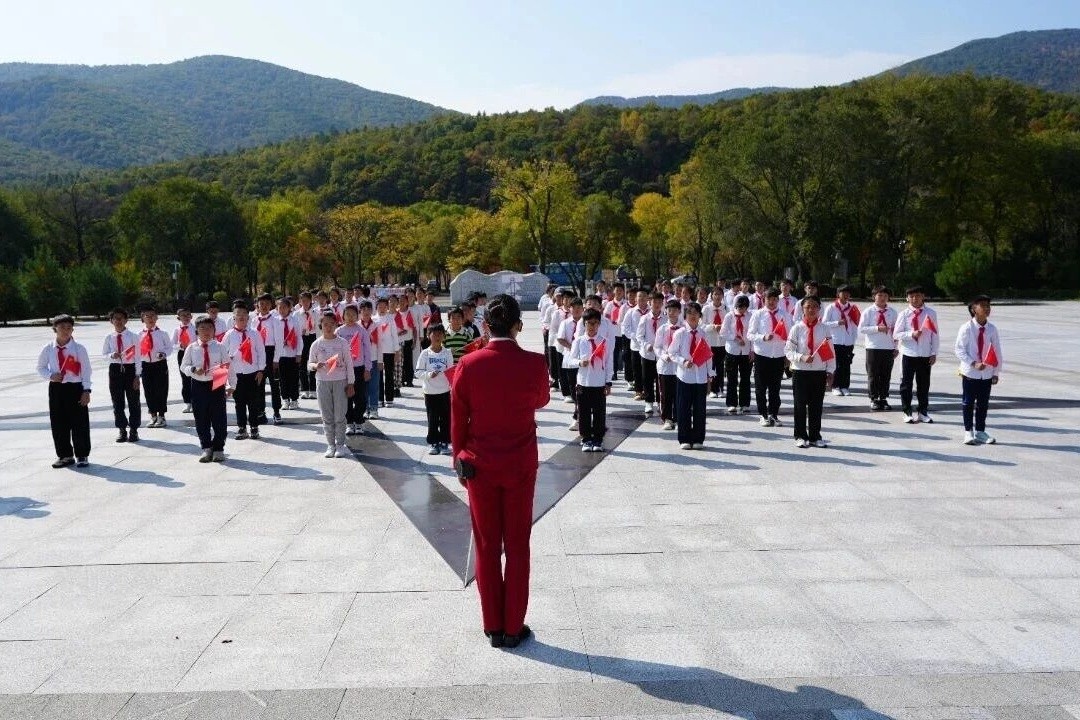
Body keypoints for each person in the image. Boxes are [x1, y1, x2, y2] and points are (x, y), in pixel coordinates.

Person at [450, 294, 549, 649]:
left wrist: (458, 459)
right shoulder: (535, 364)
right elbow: (541, 400)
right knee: (518, 545)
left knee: (487, 545)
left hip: (479, 463)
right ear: (518, 326)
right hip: (520, 462)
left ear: (486, 326)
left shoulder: (469, 364)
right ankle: (512, 625)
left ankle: (492, 624)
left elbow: (458, 416)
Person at [37, 314, 92, 468]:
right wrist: (51, 376)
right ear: (55, 328)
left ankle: (82, 454)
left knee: (79, 422)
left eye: (69, 328)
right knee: (59, 422)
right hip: (57, 388)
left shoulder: (79, 349)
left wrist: (86, 390)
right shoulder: (48, 348)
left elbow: (86, 371)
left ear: (73, 329)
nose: (65, 331)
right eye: (61, 327)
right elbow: (40, 368)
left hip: (75, 388)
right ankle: (65, 455)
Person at [785, 296, 835, 449]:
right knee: (800, 405)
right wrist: (801, 357)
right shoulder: (797, 328)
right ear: (802, 309)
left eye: (814, 306)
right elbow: (788, 351)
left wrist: (831, 371)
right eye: (808, 307)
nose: (811, 310)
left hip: (818, 372)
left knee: (816, 406)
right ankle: (800, 435)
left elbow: (830, 351)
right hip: (800, 372)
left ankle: (815, 436)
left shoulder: (825, 328)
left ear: (819, 309)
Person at [180, 316, 230, 462]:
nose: (206, 331)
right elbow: (184, 366)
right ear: (196, 331)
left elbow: (228, 365)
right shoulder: (192, 347)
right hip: (198, 384)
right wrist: (193, 369)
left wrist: (230, 385)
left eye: (209, 328)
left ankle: (219, 448)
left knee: (219, 418)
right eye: (202, 328)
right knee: (201, 417)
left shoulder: (220, 346)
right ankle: (206, 447)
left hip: (217, 382)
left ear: (214, 330)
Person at [955, 295, 1003, 445]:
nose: (987, 308)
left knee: (983, 403)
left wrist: (995, 372)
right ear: (973, 309)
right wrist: (973, 363)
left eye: (988, 305)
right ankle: (968, 432)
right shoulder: (967, 328)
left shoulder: (992, 329)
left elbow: (997, 351)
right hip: (970, 372)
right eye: (982, 305)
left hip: (987, 373)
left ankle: (981, 431)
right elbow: (959, 350)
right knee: (968, 403)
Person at [310, 312, 355, 458]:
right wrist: (316, 365)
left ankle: (340, 444)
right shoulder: (316, 344)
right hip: (322, 382)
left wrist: (351, 383)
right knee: (326, 415)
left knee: (340, 415)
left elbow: (349, 363)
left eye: (331, 324)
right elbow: (309, 364)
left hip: (340, 381)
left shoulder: (342, 342)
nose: (328, 327)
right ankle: (330, 445)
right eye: (325, 324)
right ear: (321, 326)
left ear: (336, 325)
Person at [669, 302, 713, 450]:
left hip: (700, 376)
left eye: (696, 313)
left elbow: (708, 355)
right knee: (684, 408)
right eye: (690, 314)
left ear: (700, 316)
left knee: (700, 409)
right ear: (685, 316)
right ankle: (684, 438)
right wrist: (682, 361)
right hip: (685, 376)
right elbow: (672, 353)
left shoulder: (703, 333)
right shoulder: (680, 333)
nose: (693, 316)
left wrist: (710, 375)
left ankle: (699, 438)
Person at [893, 286, 940, 424]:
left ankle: (922, 412)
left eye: (918, 296)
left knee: (924, 385)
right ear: (907, 298)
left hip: (925, 354)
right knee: (906, 384)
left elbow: (935, 335)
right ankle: (907, 411)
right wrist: (910, 334)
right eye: (911, 296)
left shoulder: (930, 313)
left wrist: (934, 352)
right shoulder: (904, 314)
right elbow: (896, 334)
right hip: (909, 353)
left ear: (923, 296)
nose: (915, 299)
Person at [222, 300, 266, 440]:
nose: (241, 317)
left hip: (252, 372)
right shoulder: (229, 334)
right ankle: (242, 428)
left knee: (253, 402)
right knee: (239, 402)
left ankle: (254, 427)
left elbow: (261, 352)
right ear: (233, 317)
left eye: (244, 314)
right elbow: (222, 353)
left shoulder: (254, 333)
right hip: (236, 373)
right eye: (238, 314)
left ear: (248, 317)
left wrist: (260, 370)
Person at [570, 309, 613, 451]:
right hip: (584, 382)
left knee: (599, 412)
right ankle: (586, 438)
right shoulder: (579, 341)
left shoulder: (604, 342)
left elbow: (608, 363)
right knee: (584, 412)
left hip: (599, 383)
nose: (592, 326)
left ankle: (598, 439)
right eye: (589, 323)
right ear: (584, 324)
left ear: (599, 324)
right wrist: (579, 362)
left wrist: (608, 382)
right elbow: (569, 359)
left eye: (595, 323)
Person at [748, 288, 790, 427]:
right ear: (763, 300)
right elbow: (750, 334)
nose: (771, 302)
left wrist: (787, 355)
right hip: (762, 355)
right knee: (761, 387)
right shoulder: (758, 314)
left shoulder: (784, 314)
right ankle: (763, 414)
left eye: (774, 299)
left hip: (778, 355)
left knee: (775, 388)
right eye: (768, 299)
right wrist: (763, 337)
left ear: (778, 300)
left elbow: (789, 336)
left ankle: (774, 414)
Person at [103, 307, 141, 443]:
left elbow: (138, 357)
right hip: (115, 370)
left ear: (126, 320)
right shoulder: (109, 337)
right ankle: (121, 429)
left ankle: (134, 429)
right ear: (111, 321)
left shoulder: (133, 336)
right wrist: (111, 355)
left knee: (133, 401)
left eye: (121, 318)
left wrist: (137, 375)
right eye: (115, 319)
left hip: (130, 369)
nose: (118, 321)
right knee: (117, 401)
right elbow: (104, 355)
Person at [415, 323, 454, 455]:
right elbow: (418, 372)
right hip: (430, 392)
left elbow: (451, 372)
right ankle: (433, 442)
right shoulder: (425, 353)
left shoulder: (447, 353)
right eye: (434, 334)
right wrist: (429, 375)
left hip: (444, 391)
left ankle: (444, 442)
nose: (437, 337)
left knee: (445, 418)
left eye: (439, 334)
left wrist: (453, 386)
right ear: (428, 335)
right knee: (432, 418)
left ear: (444, 336)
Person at [858, 286, 899, 411]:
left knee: (886, 374)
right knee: (873, 374)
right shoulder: (869, 311)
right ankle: (874, 398)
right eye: (880, 295)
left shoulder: (892, 312)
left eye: (885, 296)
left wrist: (896, 347)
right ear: (874, 297)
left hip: (888, 347)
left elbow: (896, 331)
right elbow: (861, 329)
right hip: (873, 347)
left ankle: (883, 398)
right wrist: (877, 328)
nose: (882, 298)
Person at [335, 304, 373, 436]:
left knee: (360, 397)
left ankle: (359, 421)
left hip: (359, 368)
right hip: (344, 370)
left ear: (357, 316)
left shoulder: (362, 331)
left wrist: (367, 369)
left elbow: (368, 351)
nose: (350, 317)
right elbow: (334, 351)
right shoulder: (339, 331)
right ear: (343, 316)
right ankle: (349, 423)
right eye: (348, 315)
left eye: (353, 315)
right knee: (347, 398)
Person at [138, 307, 173, 428]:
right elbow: (137, 351)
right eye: (147, 316)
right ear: (142, 319)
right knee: (148, 390)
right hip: (145, 365)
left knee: (161, 389)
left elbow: (169, 348)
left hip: (160, 364)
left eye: (153, 315)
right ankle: (153, 415)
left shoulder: (162, 334)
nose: (150, 318)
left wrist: (163, 354)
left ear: (157, 317)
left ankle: (162, 415)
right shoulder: (139, 335)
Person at [823, 285, 860, 396]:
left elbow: (855, 325)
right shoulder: (831, 307)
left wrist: (853, 340)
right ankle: (835, 386)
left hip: (848, 341)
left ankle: (845, 386)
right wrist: (837, 323)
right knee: (836, 364)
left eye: (847, 293)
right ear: (838, 294)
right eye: (843, 293)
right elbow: (824, 324)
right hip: (835, 341)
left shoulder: (853, 308)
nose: (846, 295)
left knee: (846, 365)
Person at [720, 295, 753, 414]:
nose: (742, 310)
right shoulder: (729, 316)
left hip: (746, 351)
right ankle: (731, 403)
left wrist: (752, 350)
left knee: (745, 378)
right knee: (731, 378)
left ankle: (745, 403)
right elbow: (723, 332)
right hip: (732, 351)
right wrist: (735, 338)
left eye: (744, 307)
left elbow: (752, 334)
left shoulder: (750, 316)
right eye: (740, 307)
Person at [253, 294, 283, 425]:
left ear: (271, 305)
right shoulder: (253, 321)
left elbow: (279, 341)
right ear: (257, 306)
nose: (264, 306)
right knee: (258, 385)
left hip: (271, 354)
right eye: (261, 304)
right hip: (258, 355)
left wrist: (276, 359)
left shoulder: (275, 320)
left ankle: (276, 411)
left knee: (275, 385)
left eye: (266, 304)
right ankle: (261, 412)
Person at [635, 292, 665, 418]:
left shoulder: (666, 318)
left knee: (660, 378)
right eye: (654, 302)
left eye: (659, 302)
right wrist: (647, 346)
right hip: (647, 354)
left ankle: (660, 401)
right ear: (650, 303)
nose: (657, 305)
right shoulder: (644, 318)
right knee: (647, 378)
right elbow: (639, 336)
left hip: (661, 354)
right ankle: (648, 402)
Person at [655, 300, 684, 431]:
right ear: (665, 311)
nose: (672, 313)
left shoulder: (684, 328)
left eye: (674, 310)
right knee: (666, 394)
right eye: (669, 310)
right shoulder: (662, 329)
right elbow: (657, 347)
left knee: (679, 393)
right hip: (665, 366)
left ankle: (678, 417)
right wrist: (664, 356)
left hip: (679, 367)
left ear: (679, 311)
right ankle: (667, 418)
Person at [274, 296, 302, 411]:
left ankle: (294, 399)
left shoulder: (295, 320)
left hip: (292, 353)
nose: (282, 310)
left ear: (289, 308)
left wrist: (299, 353)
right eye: (279, 307)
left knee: (294, 378)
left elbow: (299, 337)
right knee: (283, 379)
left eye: (284, 307)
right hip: (280, 355)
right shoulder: (275, 321)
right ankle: (285, 399)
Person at [701, 286, 727, 399]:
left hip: (722, 342)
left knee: (721, 367)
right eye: (715, 294)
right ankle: (712, 389)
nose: (717, 296)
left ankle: (720, 388)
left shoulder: (726, 309)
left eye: (719, 294)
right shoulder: (706, 309)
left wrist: (723, 328)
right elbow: (701, 325)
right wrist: (713, 327)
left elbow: (730, 324)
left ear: (722, 296)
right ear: (711, 296)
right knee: (710, 366)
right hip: (710, 342)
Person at [294, 291, 319, 399]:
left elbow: (319, 328)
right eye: (302, 301)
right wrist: (300, 332)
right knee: (302, 363)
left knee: (313, 362)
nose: (305, 303)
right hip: (302, 339)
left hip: (313, 338)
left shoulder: (315, 313)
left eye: (307, 301)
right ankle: (304, 389)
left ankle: (313, 389)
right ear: (300, 301)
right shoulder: (296, 314)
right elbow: (294, 329)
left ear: (310, 301)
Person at [171, 308, 195, 413]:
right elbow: (172, 344)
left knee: (195, 378)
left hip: (194, 353)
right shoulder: (177, 330)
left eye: (187, 315)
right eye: (183, 315)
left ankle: (195, 401)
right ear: (178, 318)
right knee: (185, 378)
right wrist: (179, 346)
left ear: (191, 316)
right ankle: (187, 402)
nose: (185, 317)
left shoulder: (195, 328)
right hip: (182, 354)